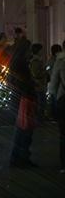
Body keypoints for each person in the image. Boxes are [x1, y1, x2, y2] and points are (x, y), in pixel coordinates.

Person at [8, 39, 36, 167]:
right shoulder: (21, 64)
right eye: (28, 49)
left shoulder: (15, 63)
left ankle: (17, 158)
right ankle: (22, 158)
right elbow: (23, 83)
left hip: (20, 99)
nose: (30, 51)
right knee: (24, 130)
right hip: (24, 100)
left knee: (21, 130)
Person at [48, 40, 65, 173]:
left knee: (63, 134)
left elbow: (53, 84)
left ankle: (64, 164)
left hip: (63, 99)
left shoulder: (60, 61)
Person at [29, 43, 46, 121]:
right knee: (40, 102)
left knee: (41, 102)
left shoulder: (37, 60)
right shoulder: (35, 61)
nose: (42, 51)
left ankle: (40, 118)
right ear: (38, 51)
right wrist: (45, 71)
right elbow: (36, 74)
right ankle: (40, 119)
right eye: (41, 50)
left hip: (40, 84)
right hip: (38, 85)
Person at [46, 44, 63, 118]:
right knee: (56, 100)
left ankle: (54, 115)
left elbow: (47, 69)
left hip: (53, 83)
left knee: (54, 99)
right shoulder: (56, 60)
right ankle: (56, 116)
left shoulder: (51, 60)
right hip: (56, 83)